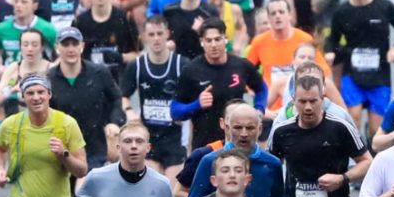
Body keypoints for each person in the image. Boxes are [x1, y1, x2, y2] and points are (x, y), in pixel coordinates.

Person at [328, 0, 394, 134]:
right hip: (352, 74)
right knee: (353, 117)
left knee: (376, 130)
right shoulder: (342, 11)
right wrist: (332, 53)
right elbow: (332, 40)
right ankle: (357, 157)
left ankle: (371, 150)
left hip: (379, 75)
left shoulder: (385, 7)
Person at [184, 102, 287, 197]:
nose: (244, 134)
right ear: (227, 128)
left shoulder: (272, 164)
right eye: (238, 128)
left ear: (259, 129)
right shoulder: (210, 161)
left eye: (250, 128)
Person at [175, 20, 266, 150]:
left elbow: (261, 88)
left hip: (238, 143)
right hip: (204, 145)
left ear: (226, 39)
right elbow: (175, 111)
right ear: (202, 42)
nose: (213, 45)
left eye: (218, 39)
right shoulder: (191, 70)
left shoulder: (241, 65)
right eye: (209, 40)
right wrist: (196, 104)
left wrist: (259, 110)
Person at [48, 25, 126, 174]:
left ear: (82, 46)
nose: (70, 49)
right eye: (65, 44)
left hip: (95, 146)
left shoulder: (100, 73)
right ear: (57, 47)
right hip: (63, 148)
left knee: (84, 192)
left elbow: (116, 98)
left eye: (75, 44)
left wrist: (114, 122)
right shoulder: (49, 78)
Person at [123, 15, 187, 180]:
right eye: (151, 35)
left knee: (172, 194)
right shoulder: (136, 66)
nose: (156, 39)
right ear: (144, 37)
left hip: (175, 138)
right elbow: (122, 96)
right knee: (153, 192)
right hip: (149, 138)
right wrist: (129, 111)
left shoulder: (182, 64)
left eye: (160, 33)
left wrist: (185, 111)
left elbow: (196, 98)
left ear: (167, 34)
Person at [75, 0, 140, 74]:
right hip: (90, 80)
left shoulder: (125, 18)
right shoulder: (79, 22)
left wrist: (120, 57)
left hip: (120, 79)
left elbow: (139, 54)